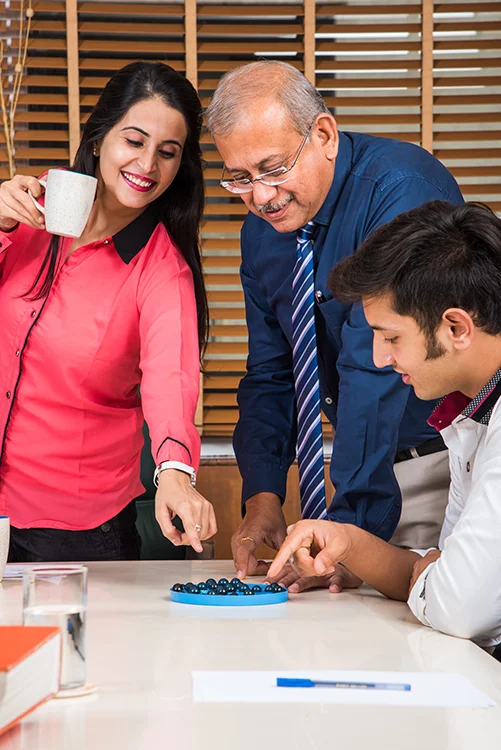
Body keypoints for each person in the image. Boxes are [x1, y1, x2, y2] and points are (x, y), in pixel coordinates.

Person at [205, 60, 463, 591]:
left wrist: (350, 532)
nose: (260, 196)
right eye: (239, 177)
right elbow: (272, 372)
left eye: (273, 168)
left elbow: (373, 367)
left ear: (323, 133)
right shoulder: (263, 233)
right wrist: (264, 498)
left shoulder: (400, 188)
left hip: (434, 470)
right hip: (354, 474)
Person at [0, 61, 217, 562]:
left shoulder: (163, 270)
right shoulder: (31, 203)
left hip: (74, 529)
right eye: (134, 141)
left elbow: (171, 377)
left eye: (168, 152)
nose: (147, 165)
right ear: (99, 139)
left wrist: (176, 476)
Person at [269, 201, 501, 648]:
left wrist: (435, 574)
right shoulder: (471, 411)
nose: (380, 358)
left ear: (456, 328)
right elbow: (447, 575)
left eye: (392, 337)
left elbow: (459, 609)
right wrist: (349, 544)